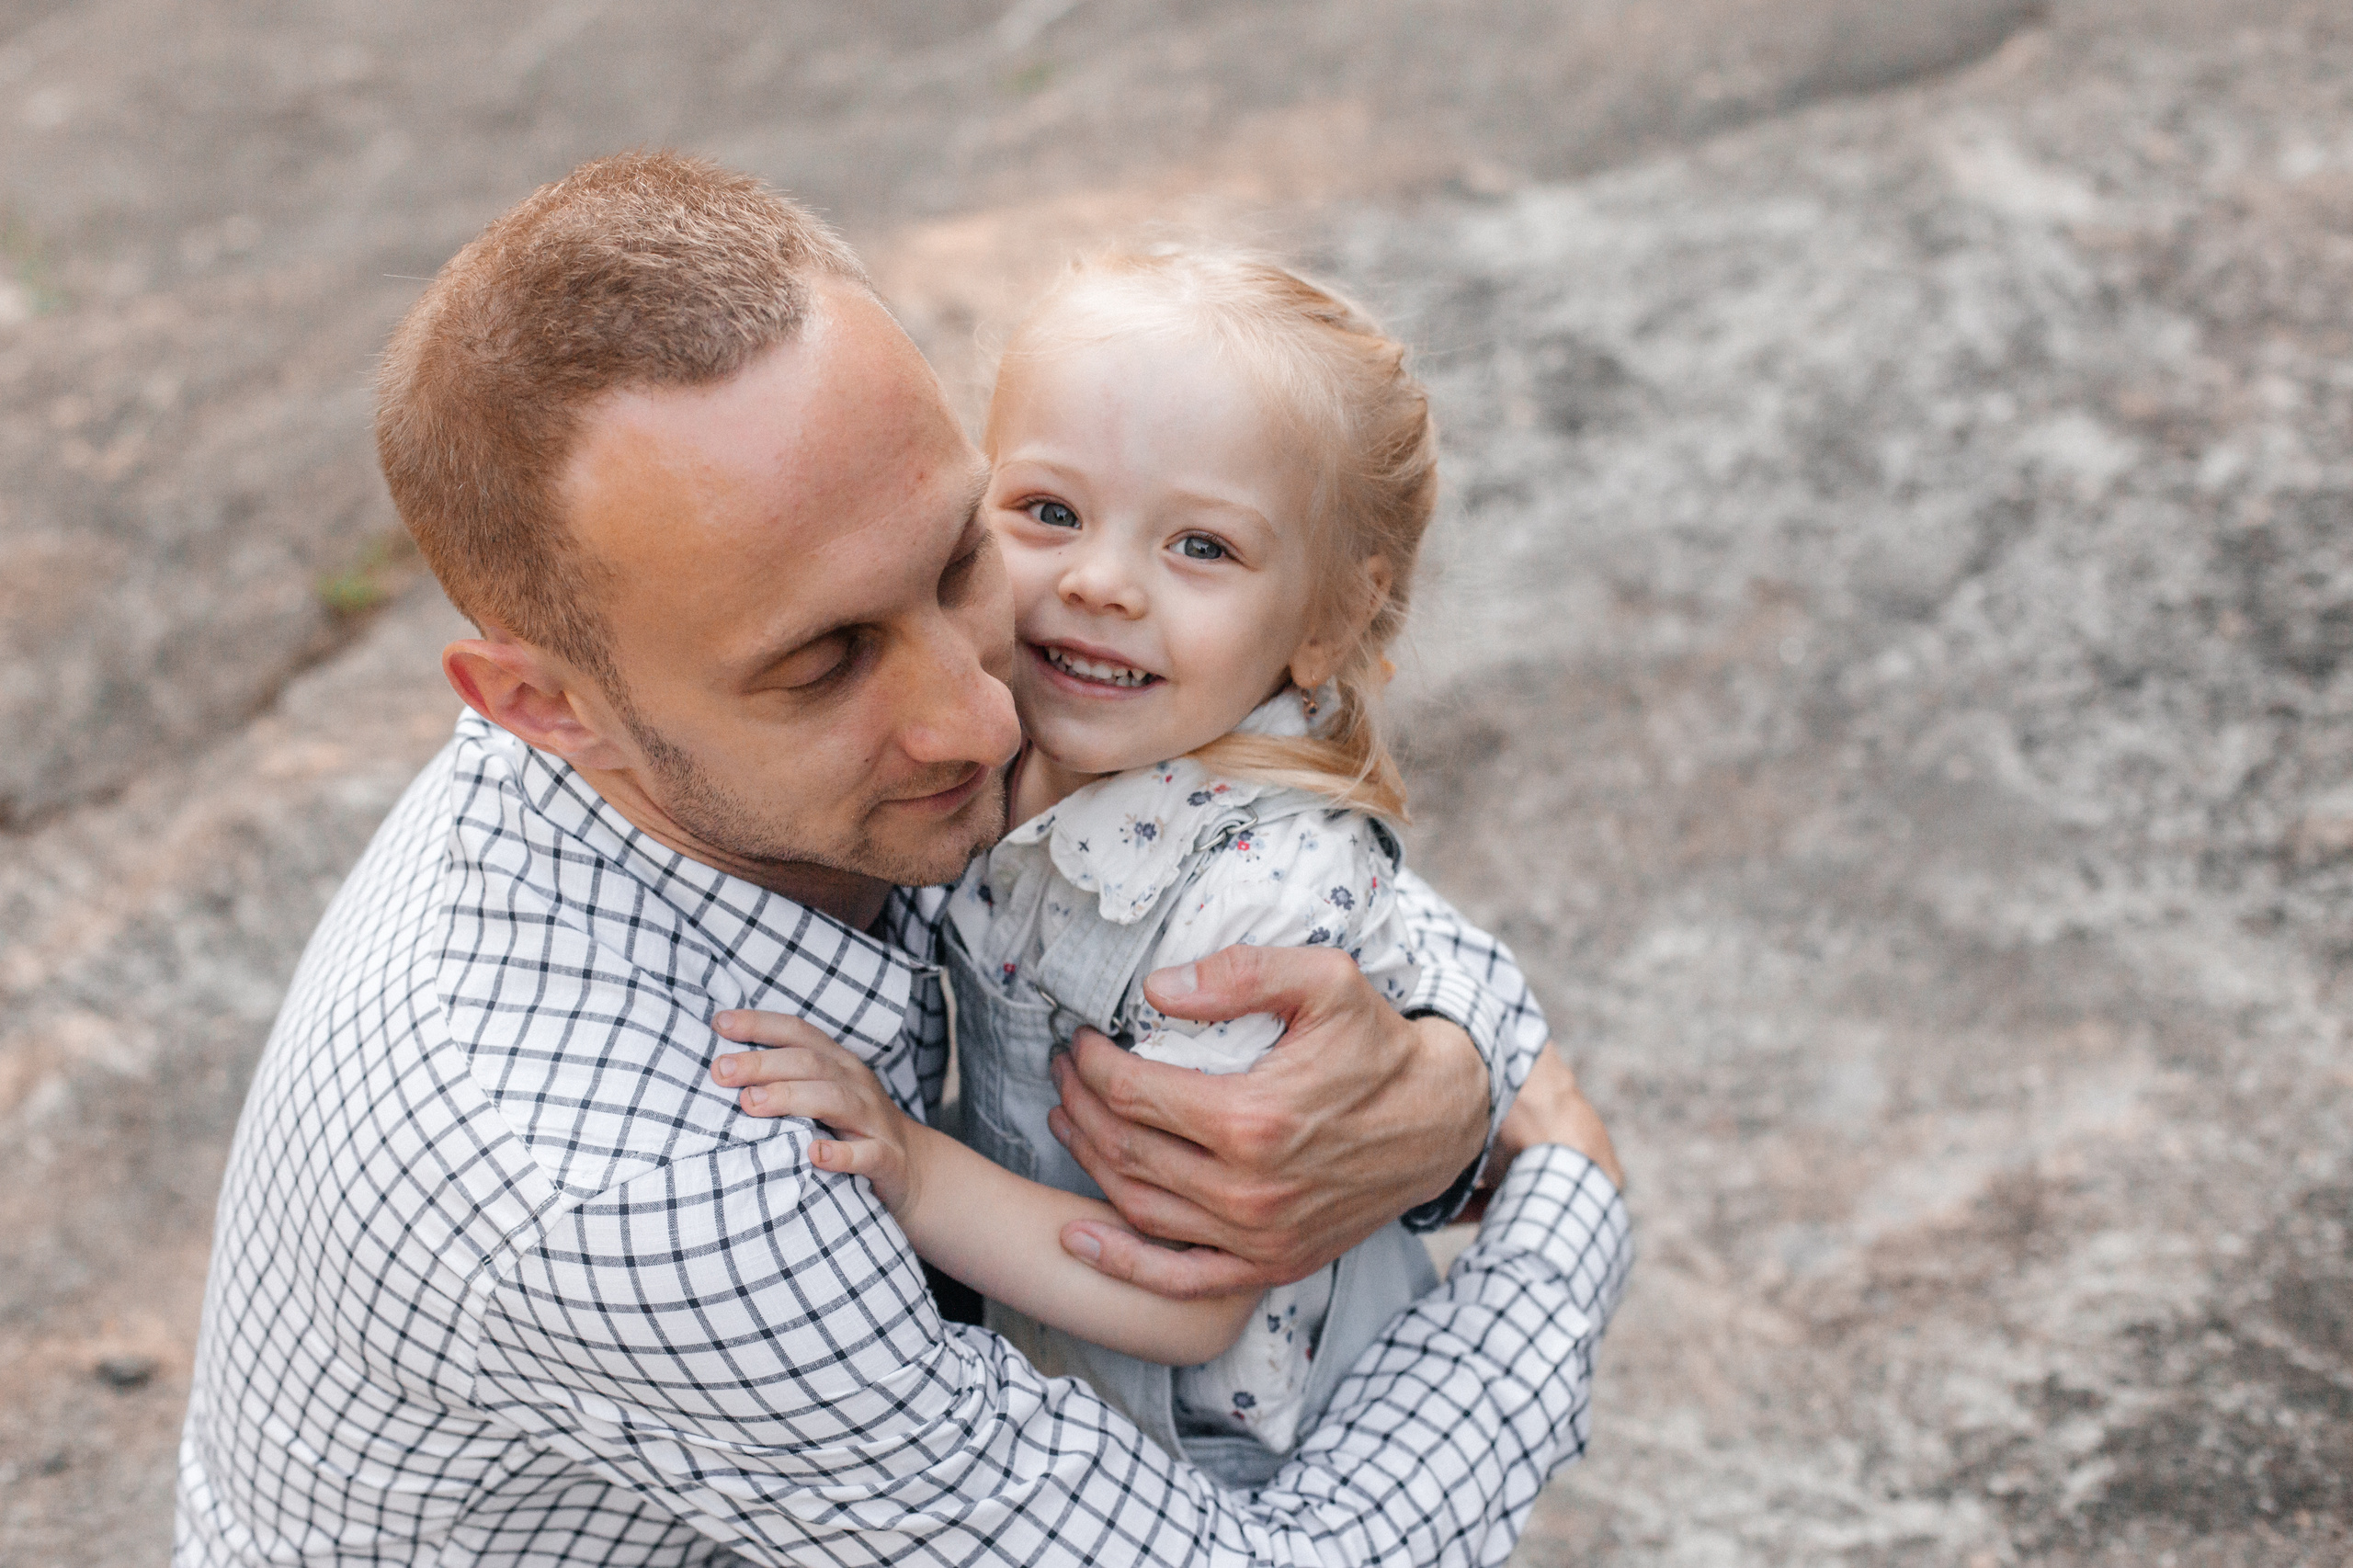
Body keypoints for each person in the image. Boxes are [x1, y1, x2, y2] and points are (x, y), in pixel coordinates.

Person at [175, 153, 1631, 1568]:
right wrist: (1560, 1196)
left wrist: (1446, 1079)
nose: (983, 714)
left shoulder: (726, 704)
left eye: (958, 559)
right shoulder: (658, 1194)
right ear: (544, 706)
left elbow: (1280, 873)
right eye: (826, 661)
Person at [708, 248, 1569, 1483]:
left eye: (1202, 546)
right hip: (1060, 1369)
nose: (1101, 583)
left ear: (1328, 617)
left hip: (1224, 1446)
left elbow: (1186, 1299)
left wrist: (906, 1163)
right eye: (1048, 512)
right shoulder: (1003, 728)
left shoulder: (1254, 898)